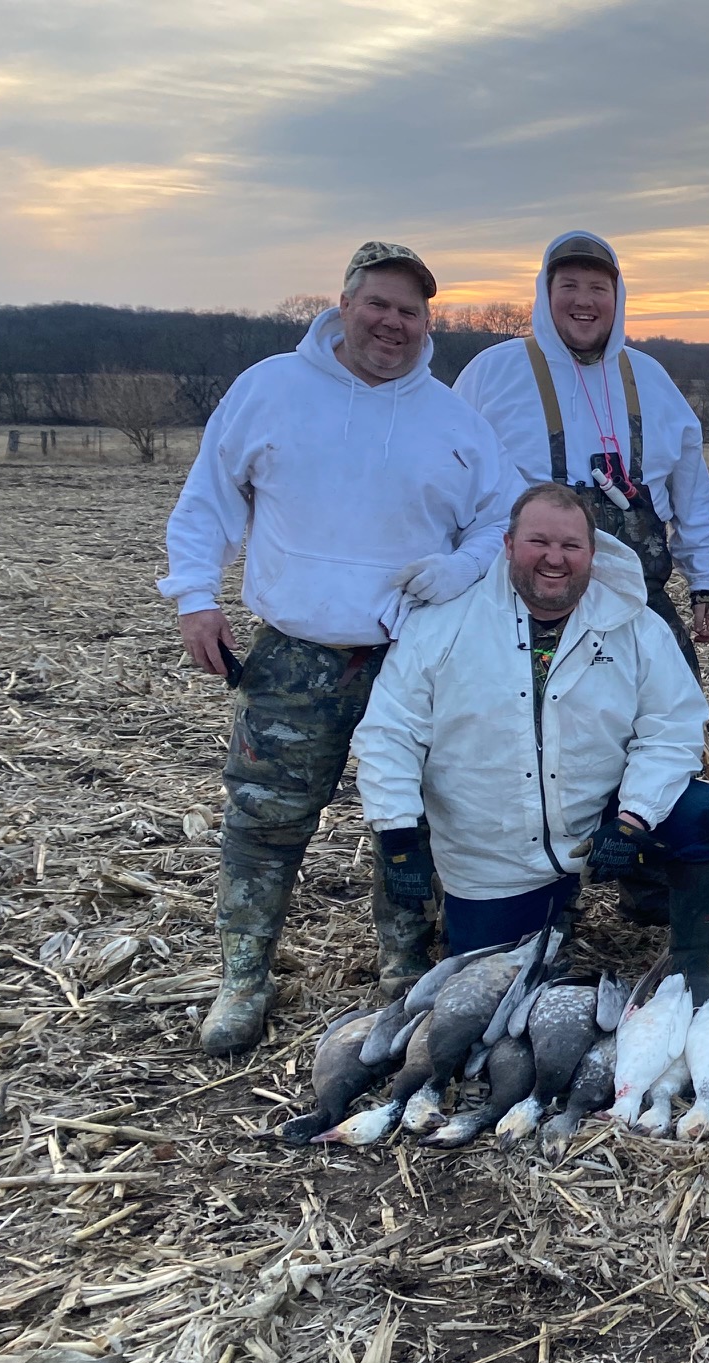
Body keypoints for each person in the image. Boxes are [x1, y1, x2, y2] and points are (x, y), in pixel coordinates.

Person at [158, 241, 519, 1054]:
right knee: (265, 817)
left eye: (410, 311)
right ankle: (244, 975)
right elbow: (209, 498)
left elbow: (497, 519)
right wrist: (194, 597)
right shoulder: (272, 390)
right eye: (378, 304)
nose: (393, 323)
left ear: (427, 322)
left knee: (417, 816)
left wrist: (460, 567)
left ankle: (405, 968)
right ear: (345, 304)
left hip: (416, 656)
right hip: (298, 652)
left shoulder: (454, 420)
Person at [353, 483, 709, 1000]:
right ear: (508, 545)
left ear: (592, 552)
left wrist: (632, 820)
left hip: (599, 815)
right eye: (539, 542)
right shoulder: (442, 625)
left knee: (704, 813)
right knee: (490, 993)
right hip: (496, 851)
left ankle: (691, 964)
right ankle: (542, 912)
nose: (555, 558)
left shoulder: (634, 625)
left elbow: (671, 729)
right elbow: (390, 733)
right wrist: (398, 836)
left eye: (571, 545)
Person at [453, 230, 709, 677]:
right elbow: (451, 488)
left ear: (617, 298)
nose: (584, 300)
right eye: (569, 286)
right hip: (521, 612)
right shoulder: (492, 373)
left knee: (675, 709)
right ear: (546, 293)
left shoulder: (651, 379)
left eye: (598, 288)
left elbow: (692, 491)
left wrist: (704, 585)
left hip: (636, 606)